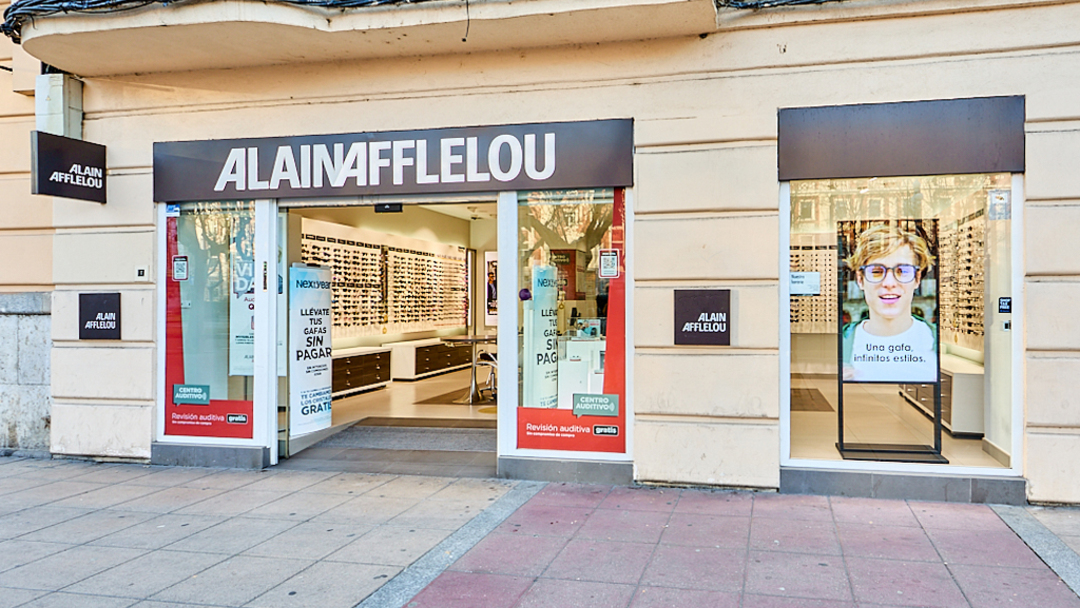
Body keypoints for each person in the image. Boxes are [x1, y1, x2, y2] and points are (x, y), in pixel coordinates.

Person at [842, 224, 937, 382]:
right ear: (860, 279)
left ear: (917, 279)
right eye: (877, 272)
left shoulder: (938, 344)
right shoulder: (838, 347)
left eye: (903, 271)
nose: (889, 283)